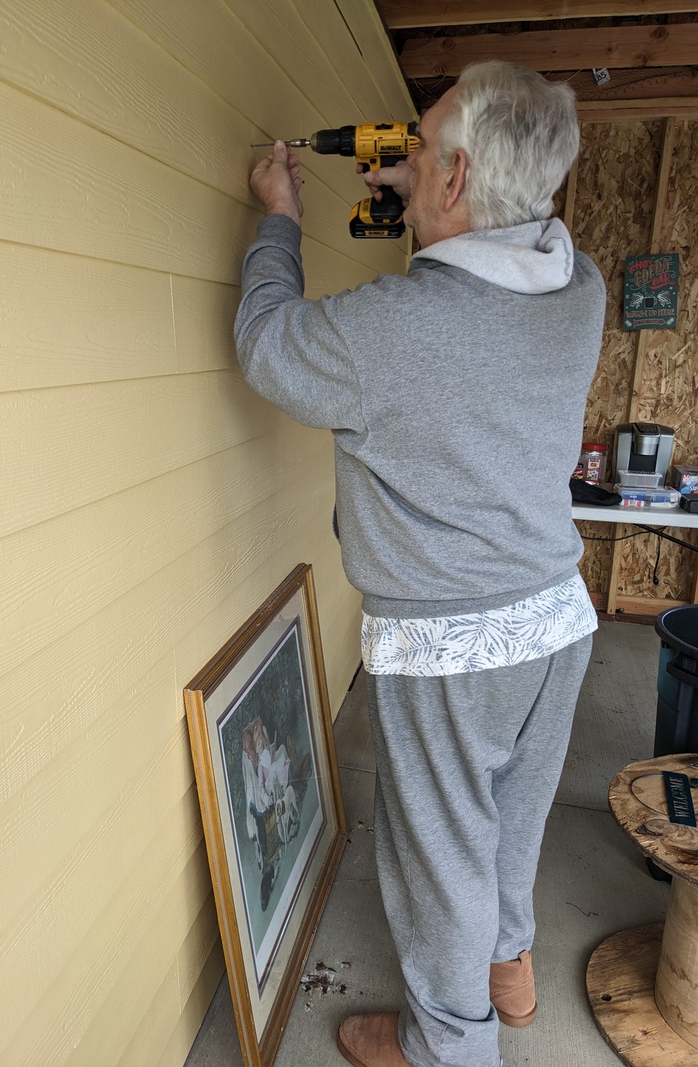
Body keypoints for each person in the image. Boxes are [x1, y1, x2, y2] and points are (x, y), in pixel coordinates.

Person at [234, 61, 605, 1067]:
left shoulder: (386, 332)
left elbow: (267, 346)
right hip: (556, 620)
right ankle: (508, 965)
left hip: (448, 647)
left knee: (438, 855)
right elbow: (481, 284)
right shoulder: (578, 285)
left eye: (421, 138)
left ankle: (446, 1045)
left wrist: (276, 220)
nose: (399, 145)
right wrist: (423, 203)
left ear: (453, 179)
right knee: (509, 817)